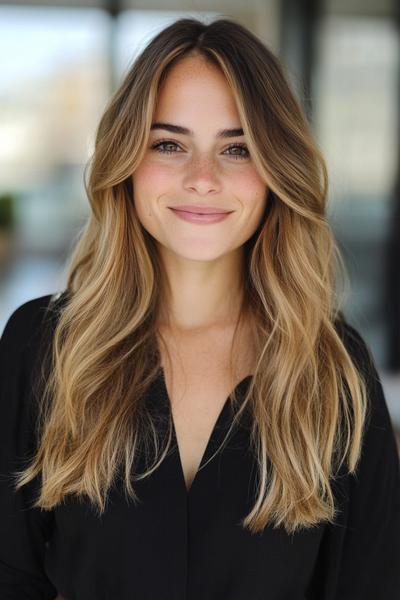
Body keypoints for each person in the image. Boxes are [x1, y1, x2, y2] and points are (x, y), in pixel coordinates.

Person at [0, 16, 399, 600]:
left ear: (275, 169)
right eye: (170, 144)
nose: (203, 178)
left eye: (237, 148)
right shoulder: (43, 345)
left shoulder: (334, 368)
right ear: (127, 162)